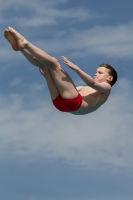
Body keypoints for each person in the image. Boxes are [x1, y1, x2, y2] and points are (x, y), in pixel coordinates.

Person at [4, 27, 118, 115]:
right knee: (45, 66)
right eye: (96, 72)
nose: (96, 74)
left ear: (110, 78)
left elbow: (92, 83)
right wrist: (48, 76)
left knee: (53, 63)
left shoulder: (107, 88)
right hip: (60, 104)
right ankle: (21, 48)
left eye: (100, 73)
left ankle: (25, 44)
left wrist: (76, 68)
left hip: (75, 103)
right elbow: (64, 88)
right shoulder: (83, 89)